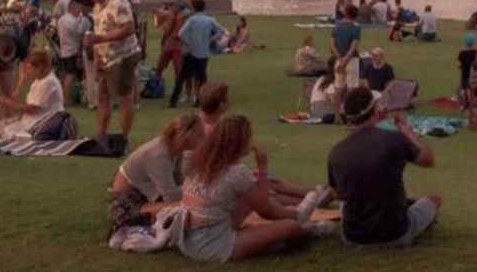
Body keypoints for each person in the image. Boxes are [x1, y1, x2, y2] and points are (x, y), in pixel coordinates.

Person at [177, 115, 331, 261]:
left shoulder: (200, 162)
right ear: (240, 142)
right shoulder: (236, 172)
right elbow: (266, 210)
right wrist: (262, 167)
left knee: (250, 195)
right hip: (210, 246)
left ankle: (297, 215)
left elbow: (258, 201)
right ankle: (304, 225)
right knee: (290, 227)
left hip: (187, 237)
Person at [327, 86, 440, 248]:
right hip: (395, 233)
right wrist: (408, 132)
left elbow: (336, 193)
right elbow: (428, 160)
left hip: (352, 236)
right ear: (374, 109)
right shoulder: (394, 139)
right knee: (434, 200)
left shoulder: (336, 152)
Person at [111, 112, 205, 235]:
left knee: (193, 203)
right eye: (199, 135)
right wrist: (198, 190)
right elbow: (171, 196)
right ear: (186, 135)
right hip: (126, 207)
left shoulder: (175, 149)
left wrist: (195, 189)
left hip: (143, 199)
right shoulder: (158, 154)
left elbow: (179, 181)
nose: (203, 139)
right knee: (187, 207)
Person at [84, 0, 142, 144]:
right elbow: (97, 31)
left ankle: (124, 138)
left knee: (124, 97)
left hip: (122, 56)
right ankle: (101, 135)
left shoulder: (118, 2)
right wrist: (97, 56)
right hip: (106, 57)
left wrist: (100, 40)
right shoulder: (98, 5)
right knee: (103, 97)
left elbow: (129, 28)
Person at [0, 48, 66, 139]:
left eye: (30, 68)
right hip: (34, 120)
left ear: (40, 67)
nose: (28, 72)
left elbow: (32, 109)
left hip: (44, 123)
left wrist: (7, 103)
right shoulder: (39, 80)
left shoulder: (49, 82)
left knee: (6, 132)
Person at [171, 0, 225, 108]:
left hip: (191, 52)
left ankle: (173, 101)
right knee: (202, 78)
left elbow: (181, 34)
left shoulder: (192, 20)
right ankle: (201, 101)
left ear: (194, 8)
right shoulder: (210, 20)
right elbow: (221, 31)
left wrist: (189, 42)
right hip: (203, 53)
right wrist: (210, 39)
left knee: (181, 77)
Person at [55, 0, 90, 104]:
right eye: (78, 8)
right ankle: (66, 99)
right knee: (70, 75)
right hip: (72, 50)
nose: (80, 10)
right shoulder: (72, 21)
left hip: (64, 49)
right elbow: (79, 35)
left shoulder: (62, 19)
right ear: (73, 7)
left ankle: (63, 97)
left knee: (66, 75)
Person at [154, 3, 185, 83]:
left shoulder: (176, 17)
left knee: (162, 68)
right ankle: (156, 84)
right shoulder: (179, 17)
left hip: (173, 46)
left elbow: (157, 14)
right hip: (173, 46)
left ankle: (156, 84)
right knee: (175, 69)